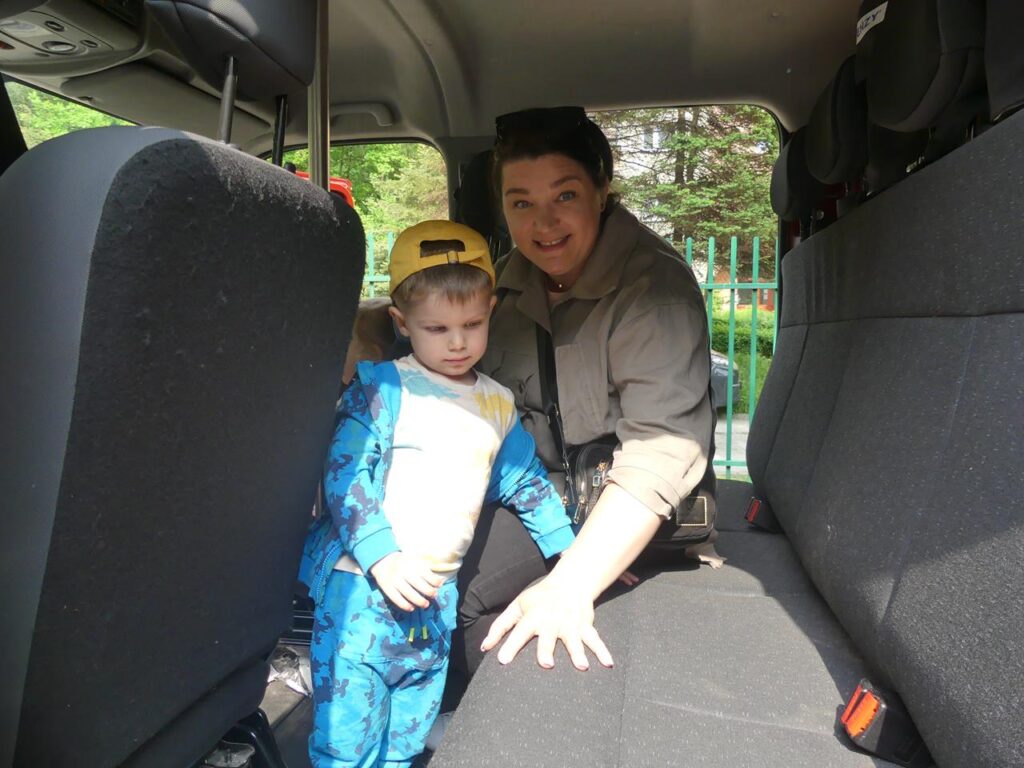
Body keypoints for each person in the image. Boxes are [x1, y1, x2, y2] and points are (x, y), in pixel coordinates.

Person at [448, 106, 717, 685]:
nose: (543, 223)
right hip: (539, 499)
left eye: (565, 195)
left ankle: (493, 723)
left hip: (631, 514)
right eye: (521, 203)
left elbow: (661, 452)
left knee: (461, 595)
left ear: (602, 190)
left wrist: (571, 583)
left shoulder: (653, 291)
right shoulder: (504, 285)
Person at [297, 220, 575, 768]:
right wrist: (383, 555)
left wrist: (571, 552)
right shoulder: (383, 388)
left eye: (472, 324)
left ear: (490, 310)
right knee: (345, 741)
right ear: (402, 323)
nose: (457, 342)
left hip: (434, 601)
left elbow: (523, 481)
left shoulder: (496, 403)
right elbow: (346, 476)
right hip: (363, 593)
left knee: (406, 738)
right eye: (436, 327)